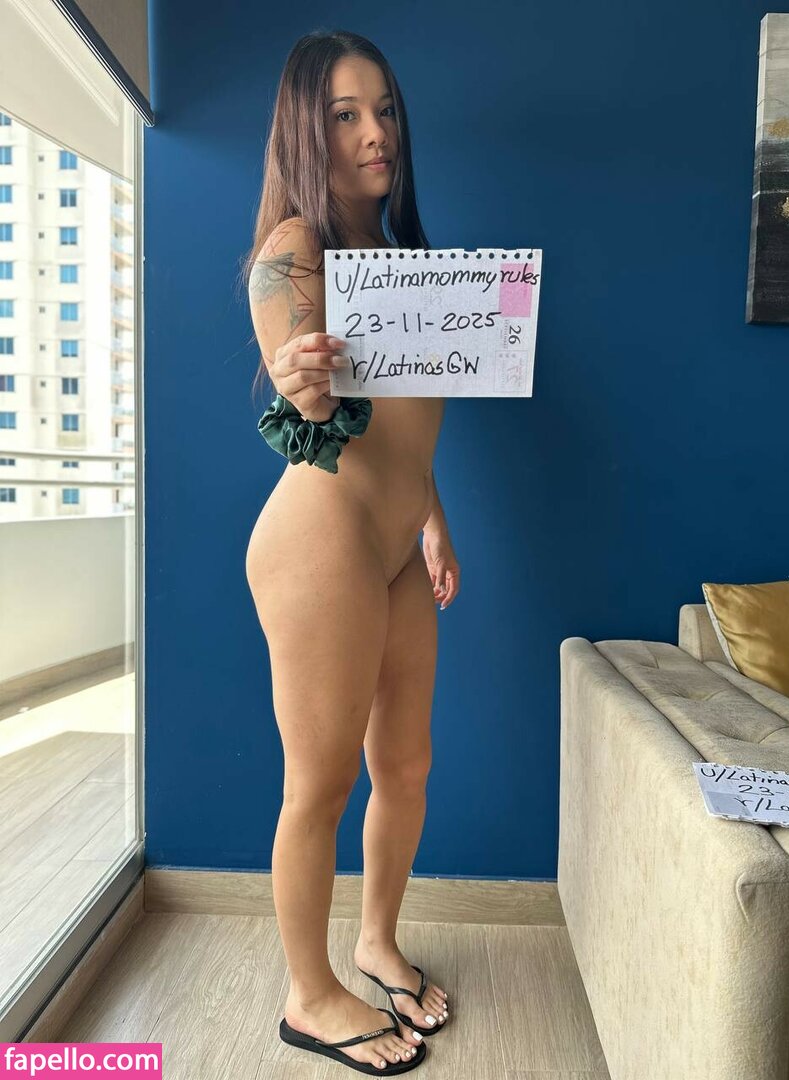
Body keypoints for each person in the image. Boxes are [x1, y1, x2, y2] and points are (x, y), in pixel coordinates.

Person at [242, 29, 461, 1075]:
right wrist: (302, 384)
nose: (376, 132)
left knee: (405, 767)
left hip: (396, 541)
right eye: (344, 114)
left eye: (385, 109)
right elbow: (310, 407)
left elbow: (406, 425)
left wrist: (434, 517)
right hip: (321, 538)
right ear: (306, 129)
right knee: (320, 782)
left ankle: (375, 943)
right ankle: (308, 995)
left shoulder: (404, 261)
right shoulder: (294, 250)